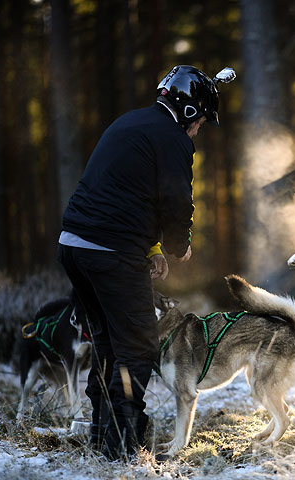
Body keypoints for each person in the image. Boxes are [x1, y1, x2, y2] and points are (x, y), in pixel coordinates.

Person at [57, 65, 235, 461]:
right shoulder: (172, 138)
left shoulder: (131, 123)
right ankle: (122, 448)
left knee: (106, 341)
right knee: (137, 347)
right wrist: (177, 243)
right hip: (110, 253)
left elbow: (129, 192)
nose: (199, 131)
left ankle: (101, 437)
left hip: (74, 247)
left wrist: (152, 249)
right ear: (190, 112)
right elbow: (174, 199)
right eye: (202, 122)